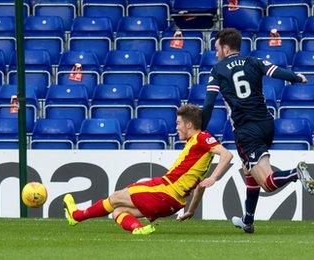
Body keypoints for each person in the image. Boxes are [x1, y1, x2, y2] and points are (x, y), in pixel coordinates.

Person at [201, 28, 314, 233]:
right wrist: (298, 78)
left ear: (226, 48)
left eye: (217, 48)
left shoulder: (217, 70)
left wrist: (201, 129)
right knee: (249, 170)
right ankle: (248, 220)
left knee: (268, 183)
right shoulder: (254, 61)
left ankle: (295, 173)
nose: (216, 52)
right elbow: (276, 72)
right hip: (267, 125)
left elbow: (208, 104)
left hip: (246, 129)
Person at [63, 105, 234, 234]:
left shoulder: (202, 137)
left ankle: (77, 215)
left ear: (189, 125)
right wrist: (191, 210)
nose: (176, 127)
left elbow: (226, 155)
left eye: (178, 123)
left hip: (166, 190)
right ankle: (138, 229)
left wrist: (215, 177)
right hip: (173, 203)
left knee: (116, 197)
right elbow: (200, 185)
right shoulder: (197, 150)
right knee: (118, 211)